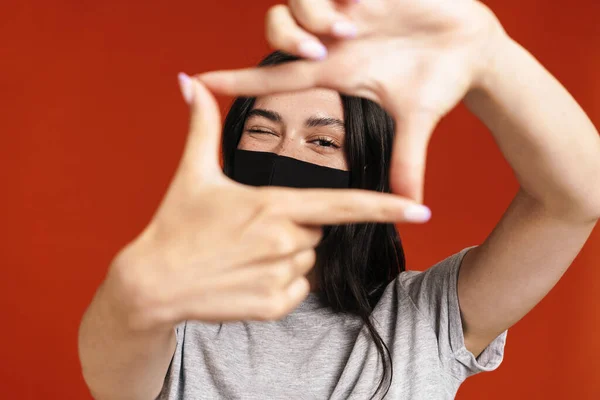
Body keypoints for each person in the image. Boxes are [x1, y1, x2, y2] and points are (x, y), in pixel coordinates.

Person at [78, 1, 600, 400]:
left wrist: (489, 56)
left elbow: (577, 197)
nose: (285, 154)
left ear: (366, 171)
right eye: (262, 131)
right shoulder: (173, 316)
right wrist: (129, 294)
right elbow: (112, 372)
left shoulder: (422, 318)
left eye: (323, 140)